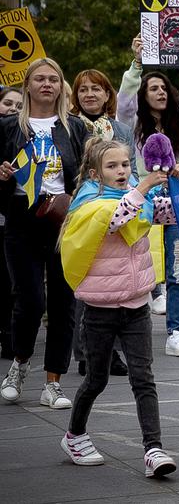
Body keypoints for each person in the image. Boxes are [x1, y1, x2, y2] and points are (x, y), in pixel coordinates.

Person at [57, 140, 178, 476]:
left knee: (144, 379)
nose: (122, 170)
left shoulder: (140, 199)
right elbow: (116, 219)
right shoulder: (91, 205)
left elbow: (167, 212)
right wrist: (144, 187)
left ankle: (153, 449)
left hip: (136, 305)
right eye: (113, 166)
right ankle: (75, 434)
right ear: (96, 173)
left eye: (126, 164)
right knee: (96, 379)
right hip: (100, 309)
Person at [0, 58, 88, 409]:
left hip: (64, 219)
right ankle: (19, 365)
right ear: (28, 85)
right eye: (40, 79)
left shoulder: (75, 128)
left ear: (60, 86)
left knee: (64, 302)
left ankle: (54, 382)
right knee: (30, 299)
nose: (47, 84)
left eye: (54, 79)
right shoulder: (7, 127)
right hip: (22, 219)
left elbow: (88, 174)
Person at [118, 38, 179, 358]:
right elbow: (124, 100)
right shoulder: (131, 124)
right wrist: (137, 64)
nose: (161, 91)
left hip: (177, 202)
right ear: (144, 94)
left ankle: (175, 332)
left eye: (164, 87)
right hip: (142, 201)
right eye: (153, 87)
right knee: (132, 265)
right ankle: (123, 333)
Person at [70, 69, 136, 376]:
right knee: (88, 282)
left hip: (119, 207)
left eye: (96, 89)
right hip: (86, 208)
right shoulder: (69, 126)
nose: (89, 95)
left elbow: (130, 168)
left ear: (108, 94)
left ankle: (115, 352)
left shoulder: (120, 129)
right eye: (83, 90)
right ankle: (86, 352)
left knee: (117, 282)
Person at [0, 87, 21, 360]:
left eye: (19, 105)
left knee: (9, 282)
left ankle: (9, 336)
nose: (13, 109)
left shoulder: (22, 138)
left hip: (10, 220)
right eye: (7, 103)